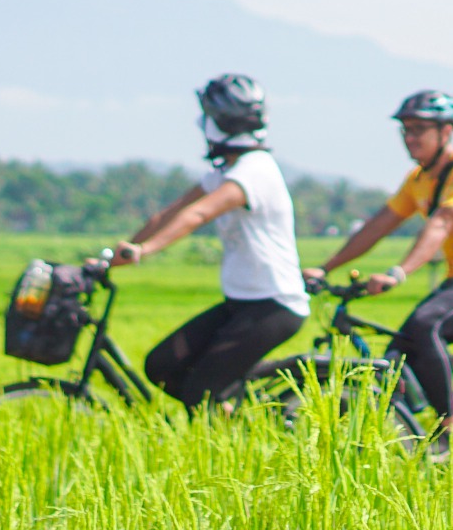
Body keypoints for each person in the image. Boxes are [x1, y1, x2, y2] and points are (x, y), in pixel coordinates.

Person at [307, 90, 453, 437]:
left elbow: (442, 224)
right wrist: (326, 266)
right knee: (399, 350)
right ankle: (412, 433)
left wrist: (399, 272)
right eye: (405, 130)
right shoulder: (418, 181)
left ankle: (450, 428)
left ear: (445, 132)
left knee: (427, 325)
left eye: (418, 130)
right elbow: (378, 226)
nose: (409, 139)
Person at [103, 75, 309, 407]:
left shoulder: (254, 171)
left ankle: (235, 440)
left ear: (215, 123)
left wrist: (145, 250)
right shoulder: (224, 172)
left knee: (202, 392)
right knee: (162, 366)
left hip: (274, 305)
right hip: (242, 302)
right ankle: (230, 413)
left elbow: (198, 215)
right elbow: (170, 214)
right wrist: (112, 257)